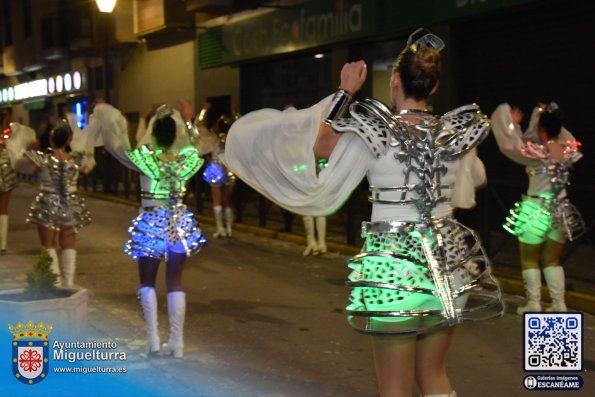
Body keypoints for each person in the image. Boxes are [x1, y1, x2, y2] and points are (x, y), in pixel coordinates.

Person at [225, 28, 503, 397]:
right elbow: (477, 178)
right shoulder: (453, 134)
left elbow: (322, 146)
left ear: (394, 81)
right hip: (449, 260)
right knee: (435, 376)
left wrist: (345, 92)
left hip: (394, 266)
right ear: (434, 88)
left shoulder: (377, 129)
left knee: (394, 387)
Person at [98, 101, 206, 358]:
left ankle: (153, 341)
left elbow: (120, 149)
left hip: (151, 224)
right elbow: (198, 146)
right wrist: (189, 122)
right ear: (176, 134)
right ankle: (177, 343)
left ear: (154, 134)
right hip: (180, 226)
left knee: (147, 282)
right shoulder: (187, 162)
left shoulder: (145, 160)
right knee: (175, 282)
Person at [491, 102, 583, 313]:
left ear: (541, 129)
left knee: (529, 258)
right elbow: (562, 135)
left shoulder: (535, 154)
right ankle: (559, 303)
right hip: (560, 210)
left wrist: (513, 126)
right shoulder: (569, 150)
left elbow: (511, 145)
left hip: (535, 209)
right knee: (552, 259)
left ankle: (533, 303)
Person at [19, 122, 92, 287]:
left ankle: (55, 283)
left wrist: (31, 147)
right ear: (69, 140)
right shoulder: (77, 161)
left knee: (47, 244)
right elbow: (88, 167)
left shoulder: (41, 160)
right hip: (70, 203)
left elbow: (21, 164)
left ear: (51, 140)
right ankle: (69, 283)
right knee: (69, 243)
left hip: (47, 202)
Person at [199, 113, 237, 238]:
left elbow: (198, 125)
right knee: (227, 201)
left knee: (217, 201)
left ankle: (220, 228)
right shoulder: (232, 139)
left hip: (215, 169)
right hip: (229, 169)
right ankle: (229, 228)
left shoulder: (212, 138)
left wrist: (204, 110)